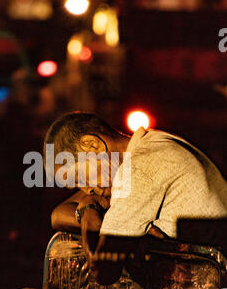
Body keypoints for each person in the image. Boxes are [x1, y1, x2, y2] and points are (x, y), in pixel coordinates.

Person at [44, 111, 227, 279]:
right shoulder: (152, 142)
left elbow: (103, 270)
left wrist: (90, 211)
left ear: (93, 145)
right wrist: (87, 209)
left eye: (80, 177)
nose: (86, 190)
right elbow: (57, 214)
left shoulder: (140, 167)